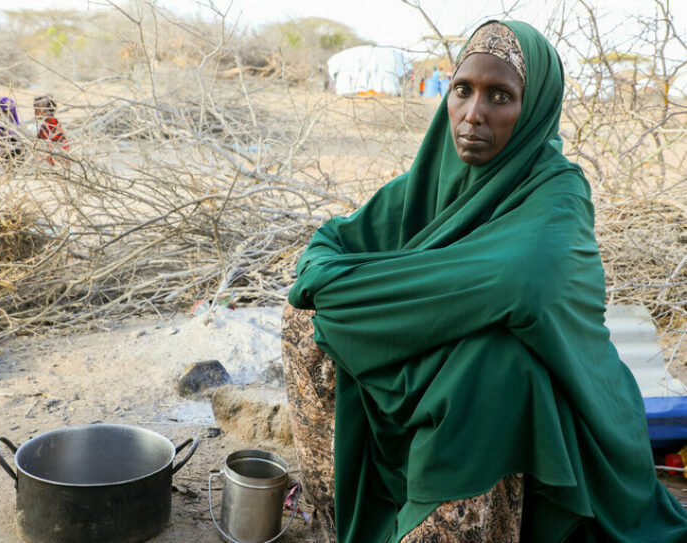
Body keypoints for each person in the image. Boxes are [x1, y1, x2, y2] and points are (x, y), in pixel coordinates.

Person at [283, 20, 687, 543]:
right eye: (462, 90)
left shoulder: (559, 190)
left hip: (562, 398)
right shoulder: (432, 177)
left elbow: (523, 283)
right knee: (307, 317)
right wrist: (348, 289)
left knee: (490, 363)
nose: (474, 115)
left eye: (500, 96)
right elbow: (327, 247)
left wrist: (367, 293)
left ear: (534, 105)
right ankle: (337, 514)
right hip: (438, 372)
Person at [34, 95, 69, 165]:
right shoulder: (50, 123)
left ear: (44, 109)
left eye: (37, 108)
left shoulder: (49, 124)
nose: (35, 111)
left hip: (54, 162)